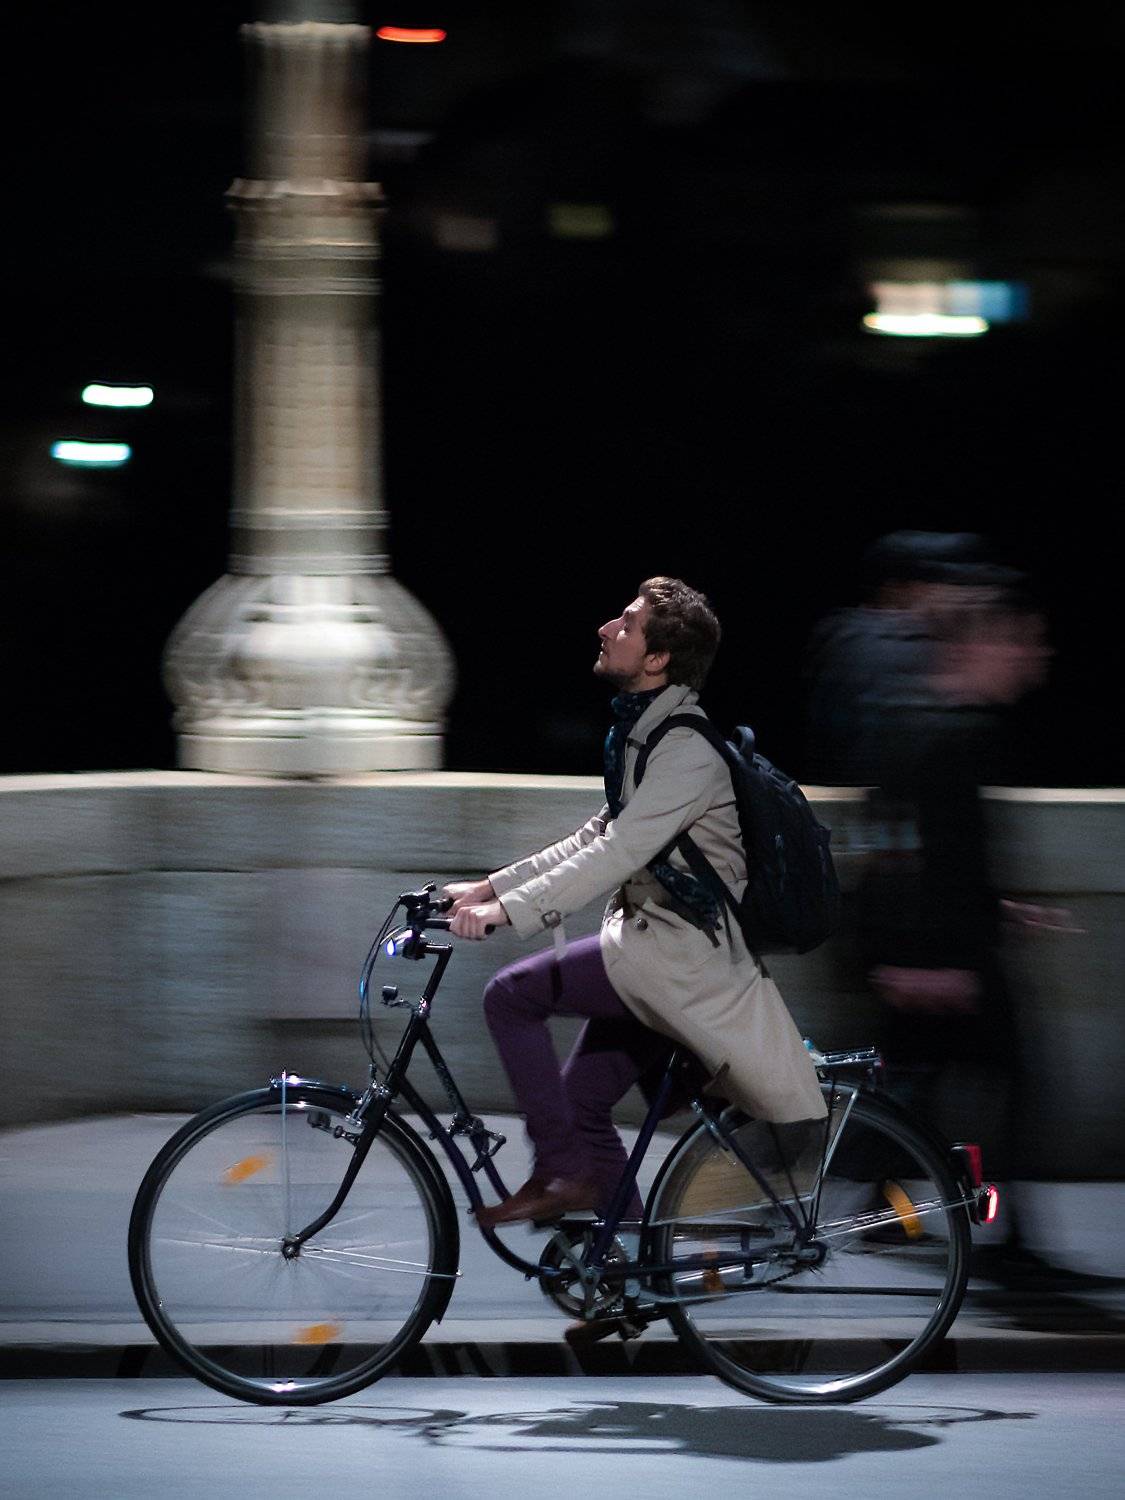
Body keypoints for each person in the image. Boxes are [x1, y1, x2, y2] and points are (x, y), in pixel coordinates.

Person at [444, 576, 826, 1229]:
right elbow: (595, 834)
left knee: (510, 997)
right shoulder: (646, 735)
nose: (605, 629)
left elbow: (617, 854)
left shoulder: (683, 750)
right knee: (582, 1103)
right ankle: (620, 1276)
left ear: (656, 659)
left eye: (625, 623)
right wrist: (489, 888)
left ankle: (562, 1174)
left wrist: (510, 913)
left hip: (679, 962)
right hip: (651, 949)